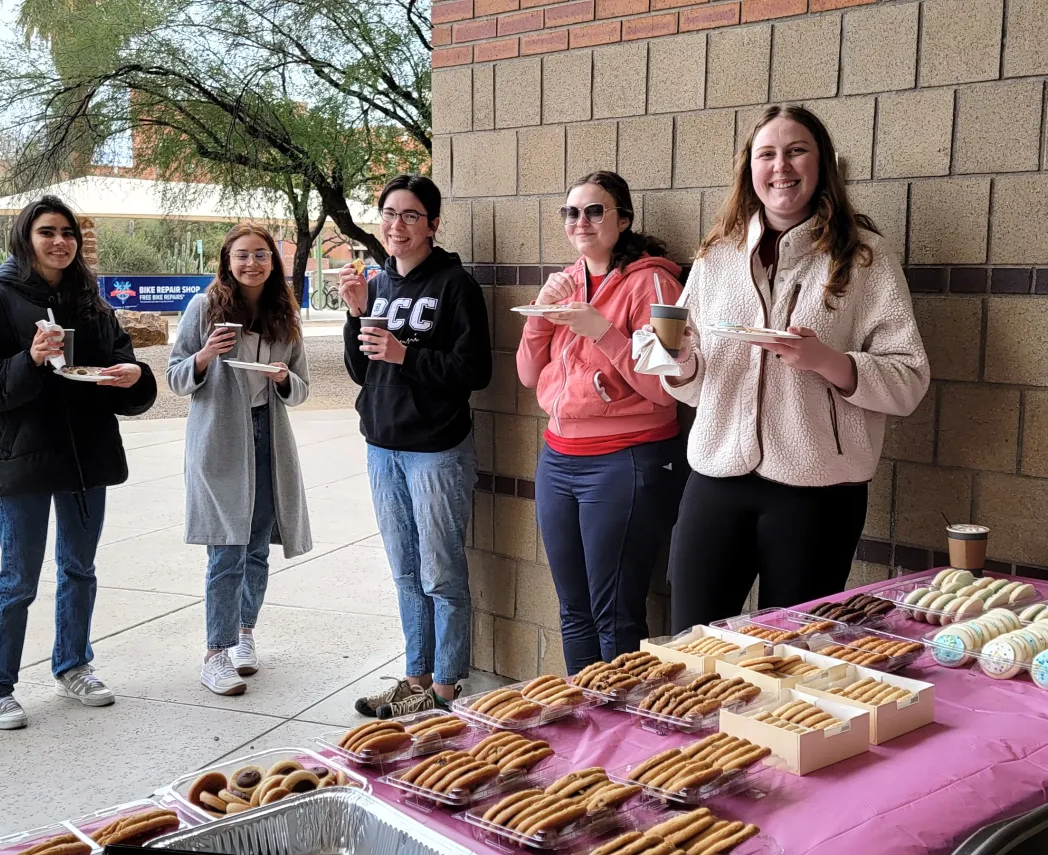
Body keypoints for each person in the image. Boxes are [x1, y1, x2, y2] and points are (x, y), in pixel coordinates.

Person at [659, 105, 930, 630]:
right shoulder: (717, 256)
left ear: (821, 163)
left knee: (795, 653)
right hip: (716, 479)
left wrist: (827, 361)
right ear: (750, 170)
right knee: (690, 644)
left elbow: (909, 381)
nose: (781, 166)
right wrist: (679, 361)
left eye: (796, 150)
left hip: (818, 492)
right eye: (767, 154)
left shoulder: (864, 257)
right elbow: (693, 389)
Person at [0, 195, 157, 730]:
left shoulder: (91, 301)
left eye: (67, 232)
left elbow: (118, 363)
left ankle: (73, 665)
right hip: (19, 458)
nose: (60, 242)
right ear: (26, 237)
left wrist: (133, 377)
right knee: (18, 577)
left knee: (79, 568)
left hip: (85, 456)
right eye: (47, 232)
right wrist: (29, 361)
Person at [516, 171, 690, 673]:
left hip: (625, 460)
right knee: (573, 612)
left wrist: (603, 331)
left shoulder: (654, 282)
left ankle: (621, 730)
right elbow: (529, 375)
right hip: (558, 458)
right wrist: (540, 314)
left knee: (614, 615)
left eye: (595, 210)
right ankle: (581, 721)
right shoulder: (567, 281)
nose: (581, 221)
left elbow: (664, 388)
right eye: (572, 212)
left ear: (624, 219)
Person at [339, 174, 491, 718]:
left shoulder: (455, 285)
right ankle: (415, 678)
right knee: (404, 570)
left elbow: (475, 371)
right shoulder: (377, 285)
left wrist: (409, 356)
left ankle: (447, 688)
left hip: (435, 448)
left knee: (440, 572)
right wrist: (357, 312)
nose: (396, 225)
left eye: (409, 215)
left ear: (432, 224)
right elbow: (361, 370)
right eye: (388, 213)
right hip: (382, 445)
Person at [167, 223, 312, 696]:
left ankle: (245, 633)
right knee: (226, 548)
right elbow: (174, 377)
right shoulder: (203, 309)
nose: (252, 264)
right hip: (220, 441)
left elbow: (301, 389)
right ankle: (216, 652)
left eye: (262, 255)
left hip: (268, 438)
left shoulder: (284, 315)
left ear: (274, 262)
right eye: (243, 255)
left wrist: (283, 377)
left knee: (255, 548)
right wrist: (205, 356)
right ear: (227, 261)